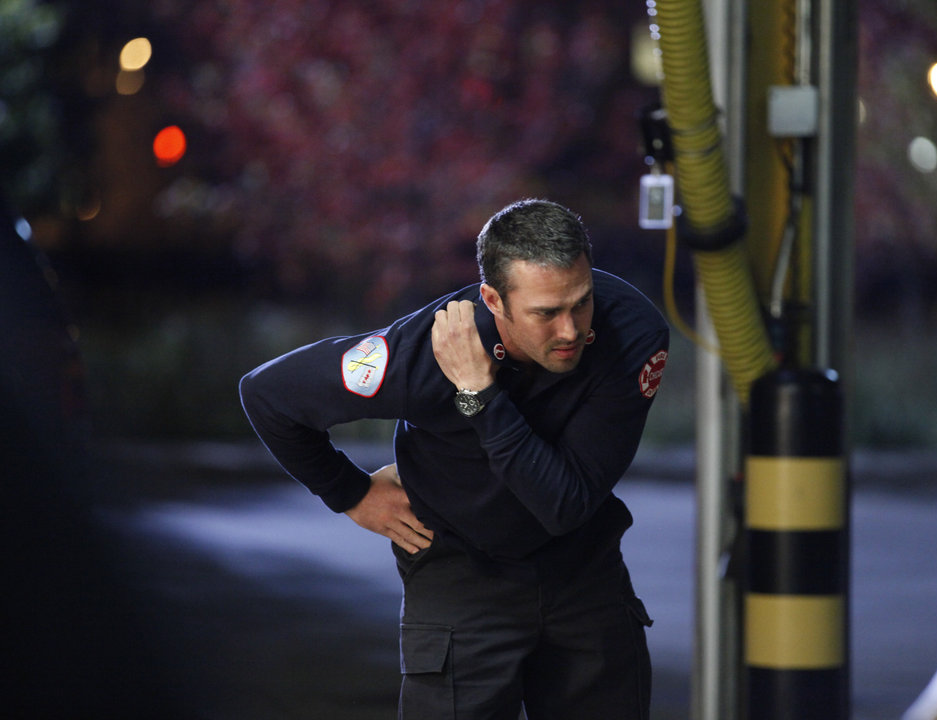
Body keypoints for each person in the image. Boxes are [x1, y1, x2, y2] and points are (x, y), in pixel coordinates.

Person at [240, 198, 670, 719]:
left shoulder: (631, 333)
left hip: (584, 570)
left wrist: (478, 395)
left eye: (581, 302)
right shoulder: (423, 354)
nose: (570, 330)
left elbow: (564, 504)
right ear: (493, 299)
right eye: (545, 313)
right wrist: (349, 492)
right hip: (461, 574)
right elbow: (269, 394)